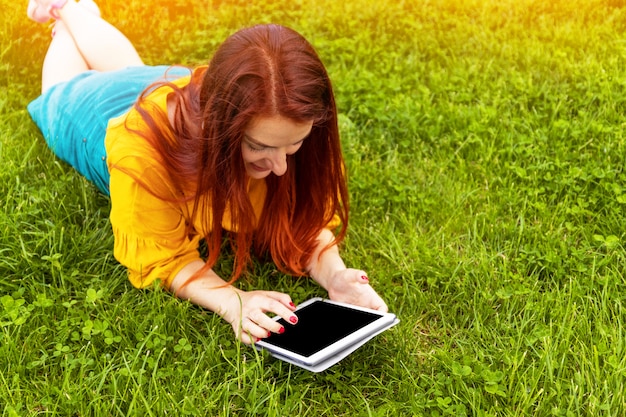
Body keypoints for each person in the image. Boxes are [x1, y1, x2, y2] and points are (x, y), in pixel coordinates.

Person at [26, 0, 388, 344]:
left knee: (130, 71)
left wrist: (336, 275)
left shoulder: (272, 114)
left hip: (166, 86)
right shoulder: (143, 152)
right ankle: (64, 15)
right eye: (260, 148)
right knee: (62, 88)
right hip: (96, 116)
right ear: (220, 127)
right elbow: (165, 259)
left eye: (292, 146)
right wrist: (231, 300)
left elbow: (303, 226)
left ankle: (77, 11)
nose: (280, 168)